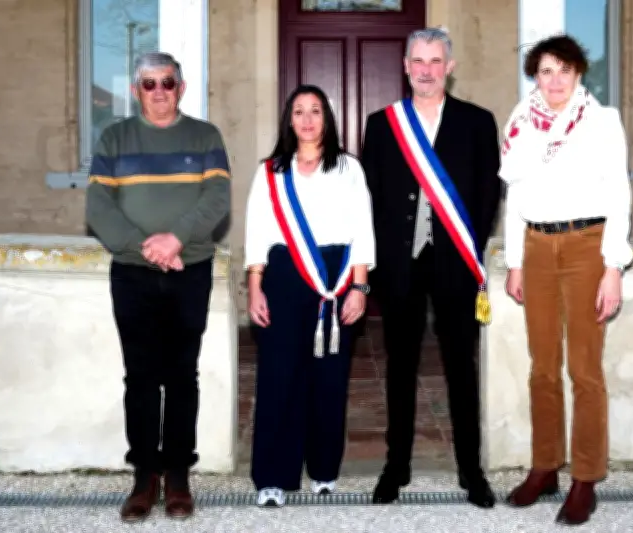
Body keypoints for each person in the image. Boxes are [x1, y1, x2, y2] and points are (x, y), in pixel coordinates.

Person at [85, 51, 231, 522]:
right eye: (149, 84)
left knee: (182, 375)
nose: (160, 91)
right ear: (136, 91)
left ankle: (178, 474)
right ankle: (144, 475)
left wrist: (175, 239)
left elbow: (217, 197)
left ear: (181, 88)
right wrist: (142, 246)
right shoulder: (114, 138)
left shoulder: (205, 137)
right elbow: (98, 205)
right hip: (132, 274)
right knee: (141, 377)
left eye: (168, 82)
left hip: (190, 270)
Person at [360, 27, 502, 508]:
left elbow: (487, 197)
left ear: (450, 67)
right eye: (417, 61)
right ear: (405, 66)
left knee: (461, 369)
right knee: (399, 370)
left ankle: (471, 470)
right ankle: (395, 466)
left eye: (435, 61)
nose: (426, 70)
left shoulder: (478, 123)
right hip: (400, 267)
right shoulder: (382, 124)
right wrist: (377, 265)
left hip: (455, 265)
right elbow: (371, 199)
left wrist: (468, 251)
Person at [498, 34, 633, 526]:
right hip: (535, 246)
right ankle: (545, 466)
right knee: (542, 367)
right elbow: (515, 194)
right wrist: (514, 260)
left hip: (585, 247)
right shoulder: (520, 122)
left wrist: (612, 267)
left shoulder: (602, 121)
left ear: (580, 74)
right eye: (546, 71)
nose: (554, 81)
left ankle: (585, 477)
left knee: (584, 370)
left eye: (564, 70)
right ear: (535, 75)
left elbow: (617, 197)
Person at [244, 84, 375, 508]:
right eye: (298, 111)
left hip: (335, 279)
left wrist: (358, 286)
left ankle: (323, 470)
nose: (306, 119)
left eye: (315, 110)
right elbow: (257, 232)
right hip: (284, 277)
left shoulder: (349, 169)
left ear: (327, 119)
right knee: (280, 377)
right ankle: (273, 477)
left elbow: (362, 229)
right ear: (288, 119)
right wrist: (254, 287)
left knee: (329, 379)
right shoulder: (270, 171)